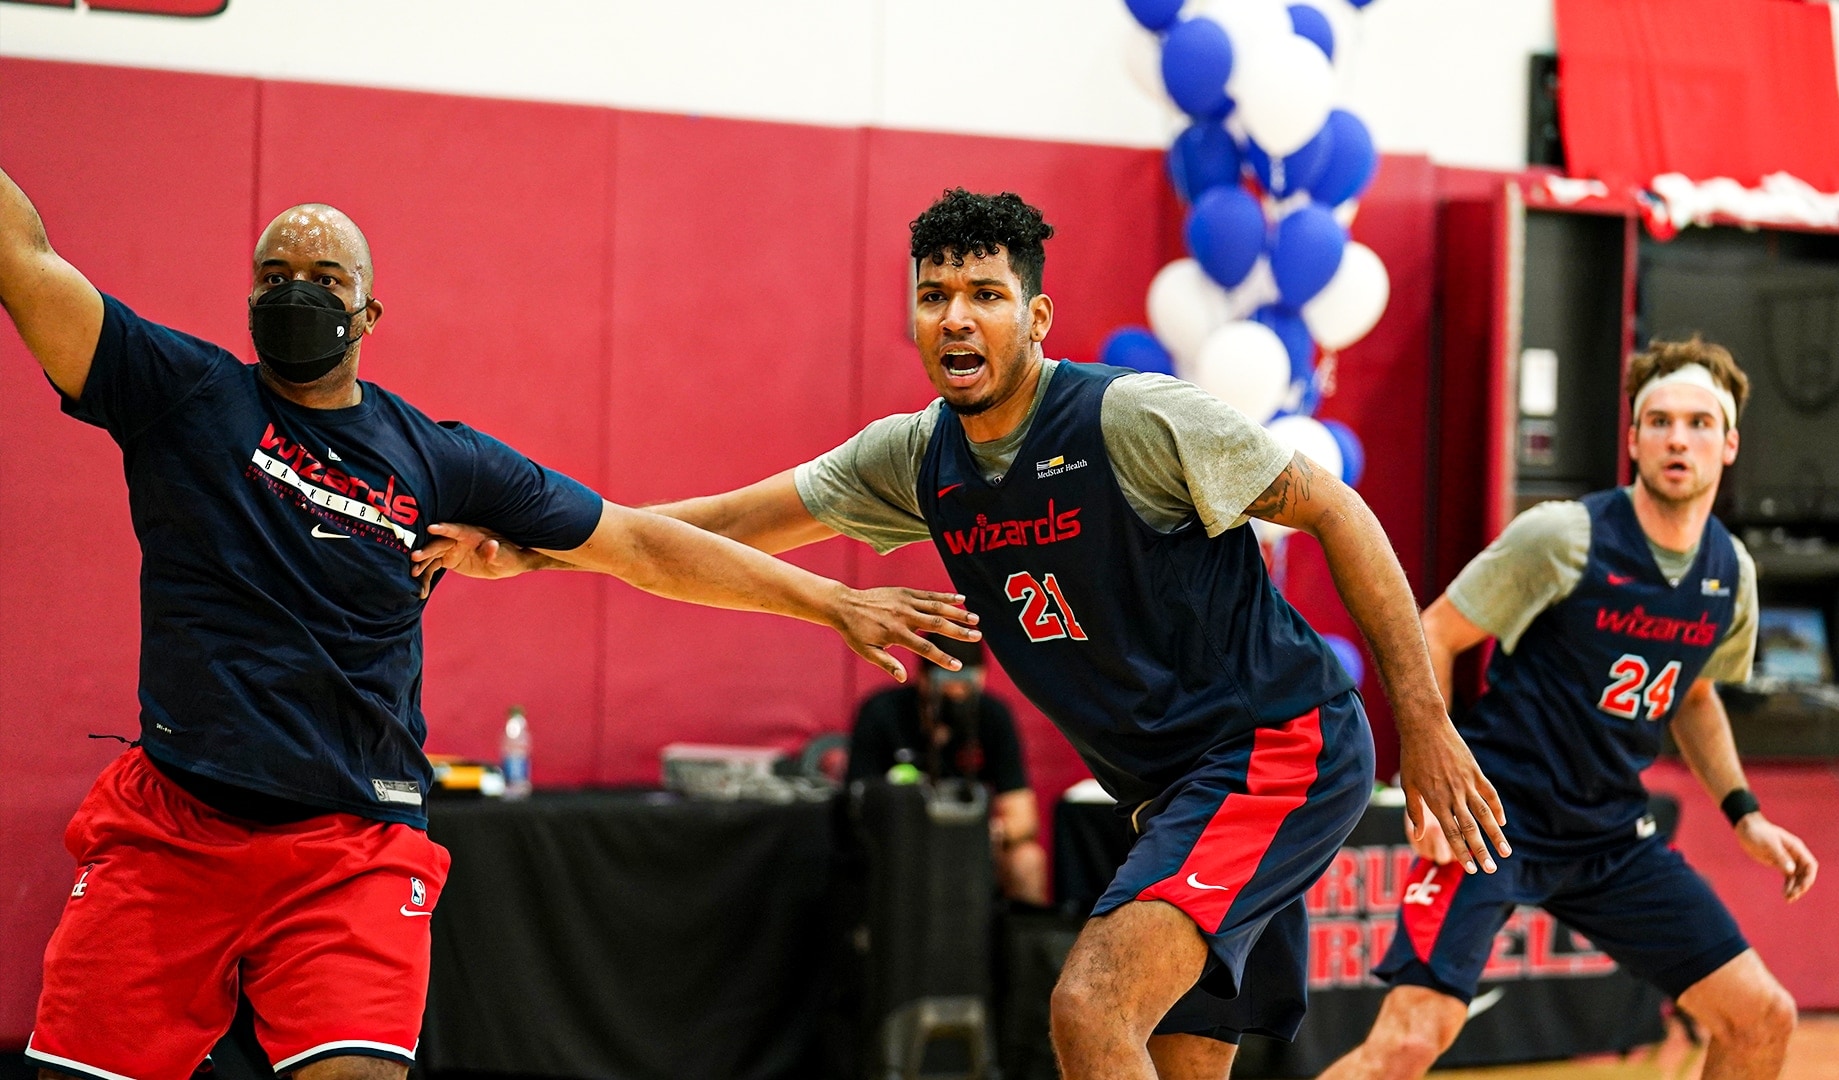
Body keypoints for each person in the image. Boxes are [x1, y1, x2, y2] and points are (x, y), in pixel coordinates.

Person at [419, 187, 1506, 1080]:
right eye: (935, 295)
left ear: (1033, 319)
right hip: (1174, 790)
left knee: (1088, 1011)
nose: (955, 317)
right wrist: (533, 549)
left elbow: (1337, 507)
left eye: (986, 295)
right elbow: (701, 534)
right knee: (1169, 1059)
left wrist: (1422, 718)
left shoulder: (1132, 418)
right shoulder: (913, 458)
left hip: (1278, 749)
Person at [0, 164, 978, 1080]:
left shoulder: (438, 460)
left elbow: (639, 543)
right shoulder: (180, 395)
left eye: (325, 276)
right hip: (176, 828)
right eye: (275, 273)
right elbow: (28, 260)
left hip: (350, 845)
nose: (297, 290)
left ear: (369, 310)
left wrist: (829, 598)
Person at [1319, 338, 1815, 1080]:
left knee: (1762, 1017)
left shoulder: (1729, 574)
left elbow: (1698, 695)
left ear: (1729, 442)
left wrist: (1745, 813)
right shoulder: (1564, 536)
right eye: (1660, 421)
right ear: (1634, 439)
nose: (1679, 437)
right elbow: (1435, 634)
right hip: (1493, 818)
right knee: (1410, 1042)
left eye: (1699, 423)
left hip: (1610, 832)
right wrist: (1428, 779)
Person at [848, 638, 1048, 904]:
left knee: (1027, 860)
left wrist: (982, 831)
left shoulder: (992, 717)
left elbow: (1022, 817)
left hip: (971, 840)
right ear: (923, 679)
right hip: (902, 840)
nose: (959, 696)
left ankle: (1021, 944)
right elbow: (858, 803)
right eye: (950, 685)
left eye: (968, 686)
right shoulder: (883, 713)